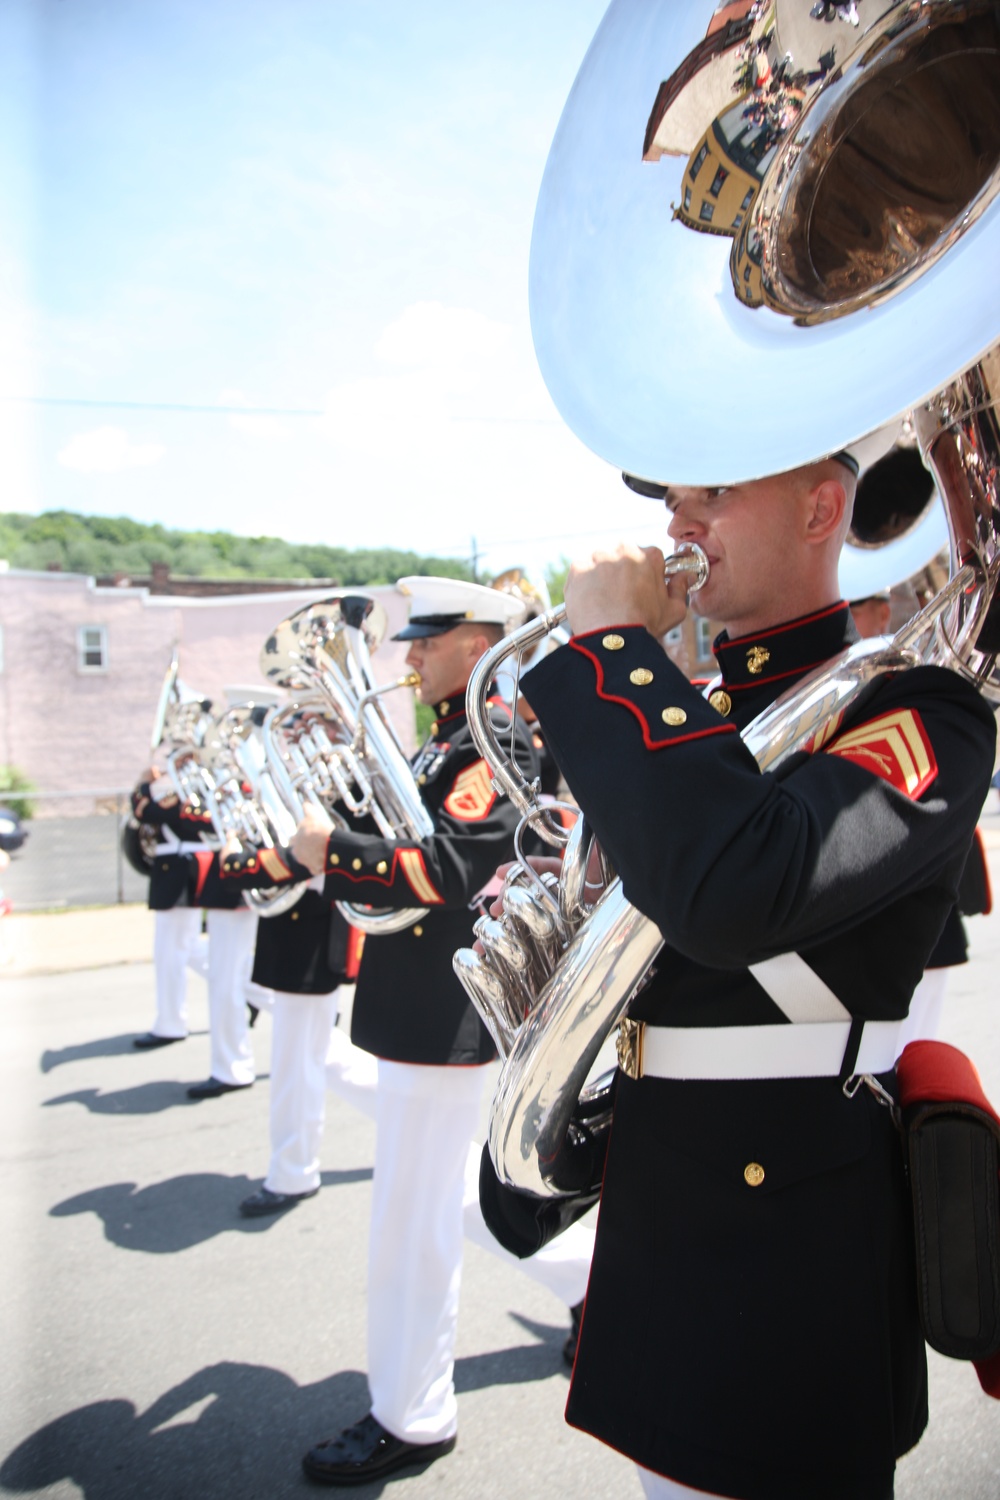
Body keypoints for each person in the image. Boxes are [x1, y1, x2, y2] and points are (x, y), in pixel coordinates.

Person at [499, 457, 996, 1500]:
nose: (679, 517)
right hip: (662, 1225)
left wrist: (617, 653)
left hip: (785, 1256)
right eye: (671, 497)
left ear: (821, 507)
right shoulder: (686, 711)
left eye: (712, 492)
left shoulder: (920, 712)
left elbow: (737, 890)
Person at [284, 576, 558, 1486]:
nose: (406, 657)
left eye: (425, 642)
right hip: (420, 1012)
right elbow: (399, 833)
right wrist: (339, 803)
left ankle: (412, 1415)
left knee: (413, 1222)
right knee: (441, 1204)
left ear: (477, 645)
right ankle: (593, 1284)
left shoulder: (493, 742)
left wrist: (339, 852)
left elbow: (447, 864)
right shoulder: (444, 743)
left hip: (445, 1015)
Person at [130, 767, 258, 1097]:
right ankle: (231, 1060)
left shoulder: (239, 784)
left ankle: (233, 1065)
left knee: (224, 977)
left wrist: (145, 786)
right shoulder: (213, 788)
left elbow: (159, 812)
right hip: (223, 873)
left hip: (238, 871)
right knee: (220, 975)